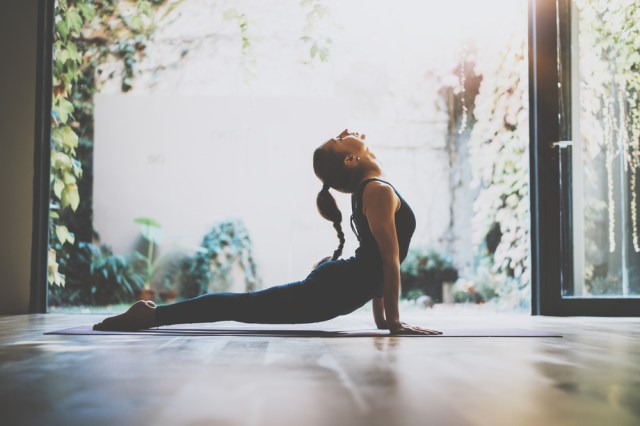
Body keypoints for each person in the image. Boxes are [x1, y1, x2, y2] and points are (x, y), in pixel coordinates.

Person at [93, 129, 442, 335]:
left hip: (338, 287)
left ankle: (152, 314)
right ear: (351, 160)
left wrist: (384, 320)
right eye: (341, 138)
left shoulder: (370, 189)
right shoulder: (377, 190)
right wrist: (393, 321)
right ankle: (151, 315)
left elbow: (378, 264)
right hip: (332, 289)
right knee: (244, 306)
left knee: (246, 306)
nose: (348, 133)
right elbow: (387, 260)